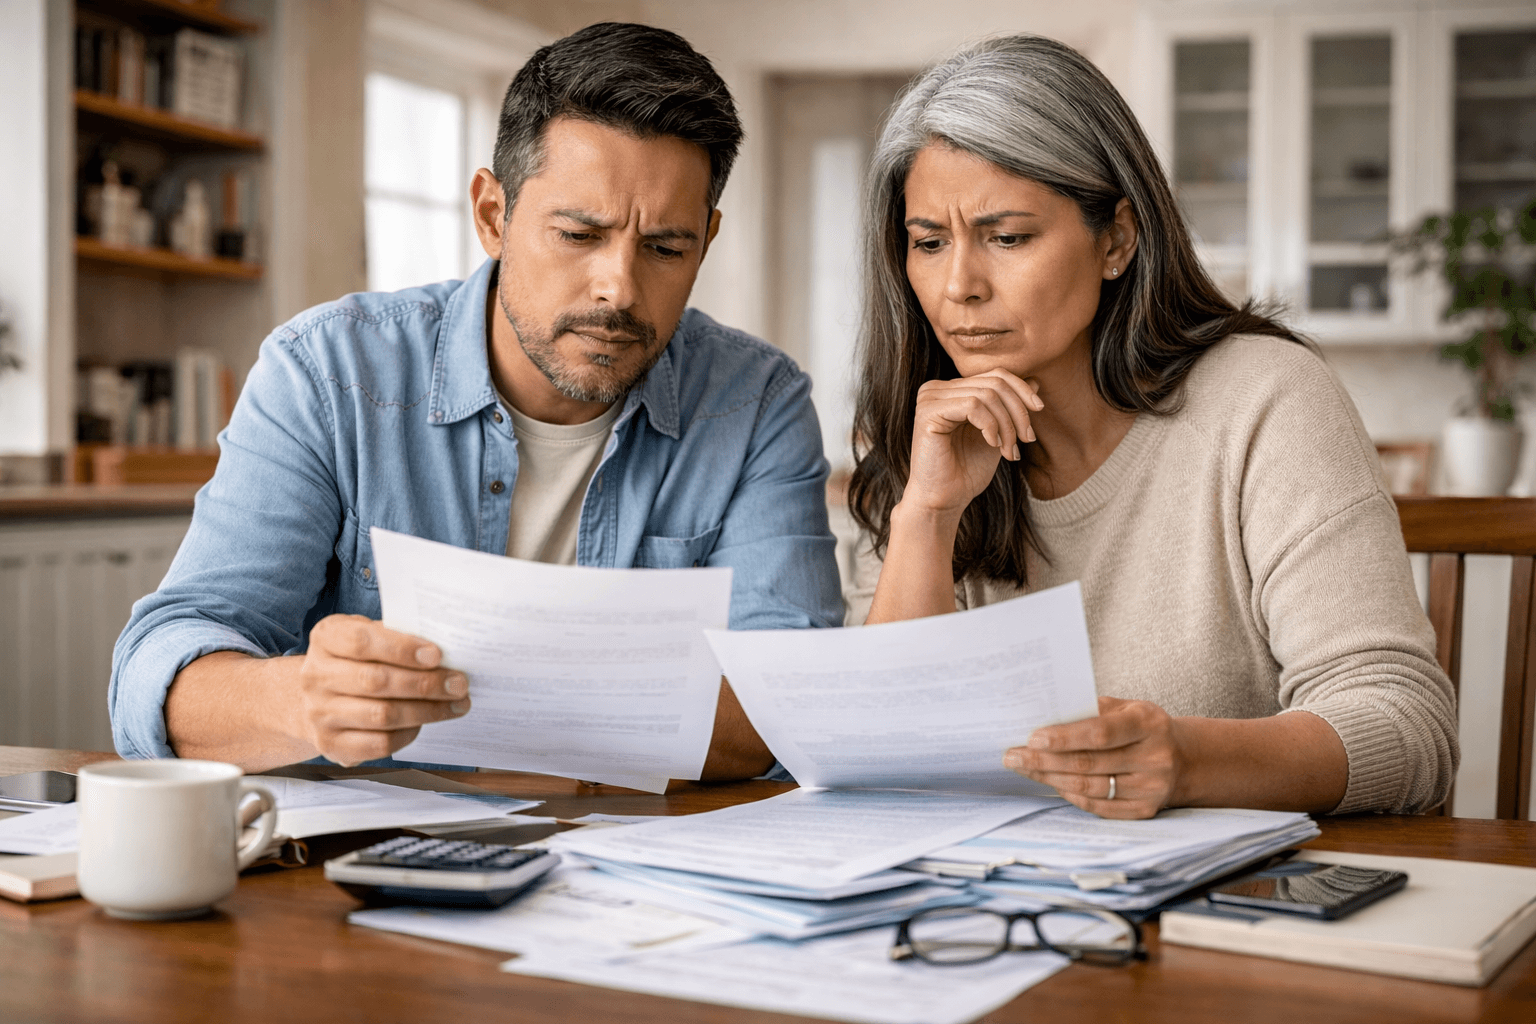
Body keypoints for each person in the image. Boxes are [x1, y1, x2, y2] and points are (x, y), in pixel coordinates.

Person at [111, 23, 841, 778]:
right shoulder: (327, 373)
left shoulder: (757, 403)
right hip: (375, 840)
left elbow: (787, 710)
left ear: (706, 241)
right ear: (493, 215)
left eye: (665, 248)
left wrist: (512, 689)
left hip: (628, 843)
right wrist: (300, 701)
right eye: (578, 234)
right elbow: (154, 681)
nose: (618, 288)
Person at [844, 35, 1457, 819]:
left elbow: (1407, 728)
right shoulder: (925, 438)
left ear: (1117, 239)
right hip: (1003, 883)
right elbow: (880, 762)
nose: (959, 284)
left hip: (1242, 886)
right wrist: (928, 515)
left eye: (1007, 237)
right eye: (929, 243)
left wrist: (1188, 762)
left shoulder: (1265, 400)